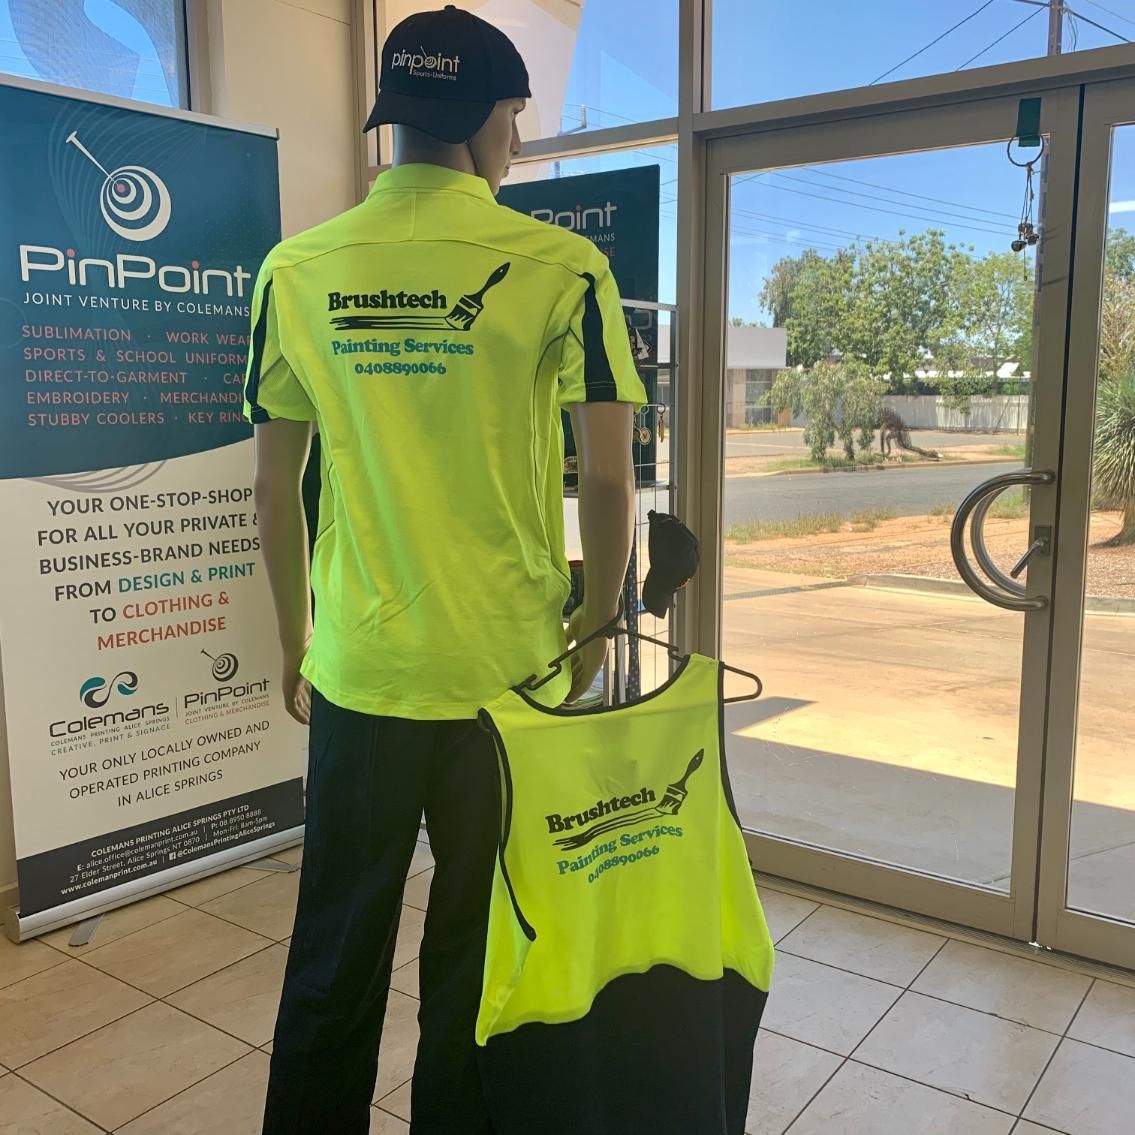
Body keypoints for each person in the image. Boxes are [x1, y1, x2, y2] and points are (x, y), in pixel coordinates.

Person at [243, 5, 646, 1133]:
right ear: (487, 115)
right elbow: (608, 483)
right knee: (476, 951)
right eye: (516, 115)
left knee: (334, 952)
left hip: (361, 669)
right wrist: (600, 621)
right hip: (509, 677)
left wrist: (295, 642)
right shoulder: (564, 267)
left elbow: (276, 491)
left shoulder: (296, 269)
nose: (516, 139)